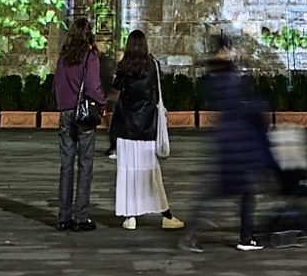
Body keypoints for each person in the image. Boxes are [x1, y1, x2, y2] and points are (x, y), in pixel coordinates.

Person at [181, 37, 274, 254]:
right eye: (230, 50)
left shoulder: (218, 75)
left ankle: (203, 231)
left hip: (231, 141)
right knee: (240, 191)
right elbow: (240, 106)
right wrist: (258, 107)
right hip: (237, 143)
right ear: (223, 51)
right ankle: (244, 236)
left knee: (227, 191)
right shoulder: (227, 77)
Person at [107, 28, 183, 231]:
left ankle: (130, 216)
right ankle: (166, 215)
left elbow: (115, 84)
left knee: (127, 172)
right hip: (147, 127)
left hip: (126, 128)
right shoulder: (153, 66)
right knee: (151, 173)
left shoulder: (125, 66)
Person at [54, 16, 107, 232]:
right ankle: (80, 217)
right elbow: (93, 87)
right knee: (85, 165)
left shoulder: (63, 57)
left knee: (66, 165)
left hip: (65, 112)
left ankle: (63, 217)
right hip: (84, 114)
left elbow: (56, 82)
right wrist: (102, 102)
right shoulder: (90, 57)